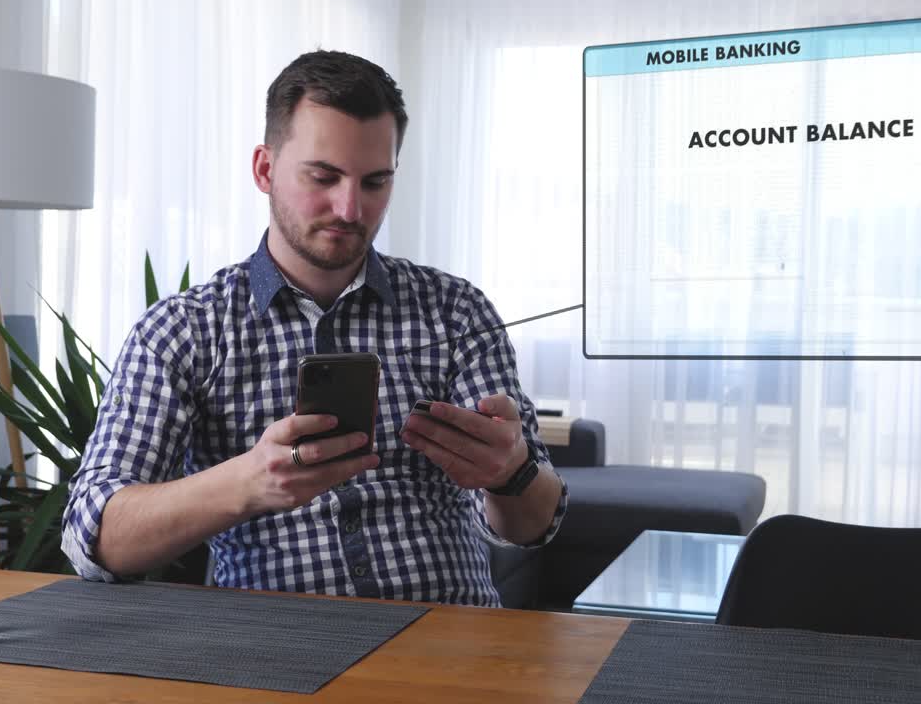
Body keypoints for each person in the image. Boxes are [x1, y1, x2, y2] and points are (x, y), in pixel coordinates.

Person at [60, 50, 567, 607]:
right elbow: (93, 538)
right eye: (324, 177)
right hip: (271, 651)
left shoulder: (457, 312)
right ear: (264, 169)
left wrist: (511, 472)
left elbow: (532, 526)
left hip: (448, 641)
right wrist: (246, 483)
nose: (350, 208)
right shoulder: (184, 332)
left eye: (375, 182)